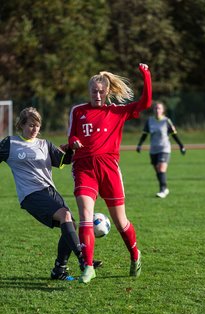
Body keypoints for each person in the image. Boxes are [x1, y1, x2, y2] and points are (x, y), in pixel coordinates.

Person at [68, 63, 152, 284]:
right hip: (84, 167)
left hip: (109, 168)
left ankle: (135, 255)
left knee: (120, 221)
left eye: (101, 91)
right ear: (89, 91)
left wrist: (146, 76)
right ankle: (88, 266)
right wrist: (73, 142)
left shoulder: (116, 112)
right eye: (94, 91)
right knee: (85, 215)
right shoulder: (78, 111)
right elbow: (71, 136)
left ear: (107, 92)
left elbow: (146, 103)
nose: (97, 95)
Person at [0, 107, 102, 281]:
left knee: (70, 224)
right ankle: (83, 257)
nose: (34, 129)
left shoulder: (44, 144)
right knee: (65, 215)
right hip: (30, 195)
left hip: (50, 192)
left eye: (37, 125)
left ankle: (59, 270)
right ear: (22, 125)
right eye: (31, 125)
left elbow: (64, 161)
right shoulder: (11, 143)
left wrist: (71, 148)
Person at [136, 101, 186, 198]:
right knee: (158, 171)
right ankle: (165, 188)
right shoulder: (149, 121)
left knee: (161, 168)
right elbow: (144, 134)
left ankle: (162, 190)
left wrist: (181, 146)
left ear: (163, 110)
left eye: (159, 108)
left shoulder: (166, 121)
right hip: (153, 150)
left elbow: (174, 134)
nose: (157, 110)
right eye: (155, 108)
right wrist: (139, 145)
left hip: (164, 148)